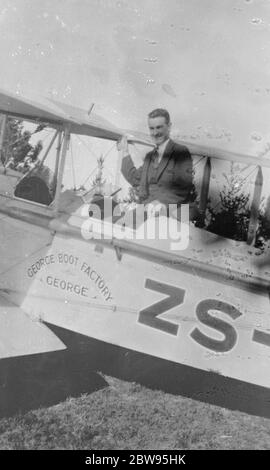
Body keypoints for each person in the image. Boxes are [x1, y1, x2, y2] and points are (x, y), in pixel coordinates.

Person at [118, 108, 198, 221]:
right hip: (147, 211)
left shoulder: (181, 152)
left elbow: (182, 189)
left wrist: (161, 203)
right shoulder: (150, 156)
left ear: (169, 126)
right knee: (120, 224)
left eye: (159, 127)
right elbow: (135, 178)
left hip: (171, 214)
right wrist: (125, 151)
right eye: (151, 128)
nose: (155, 133)